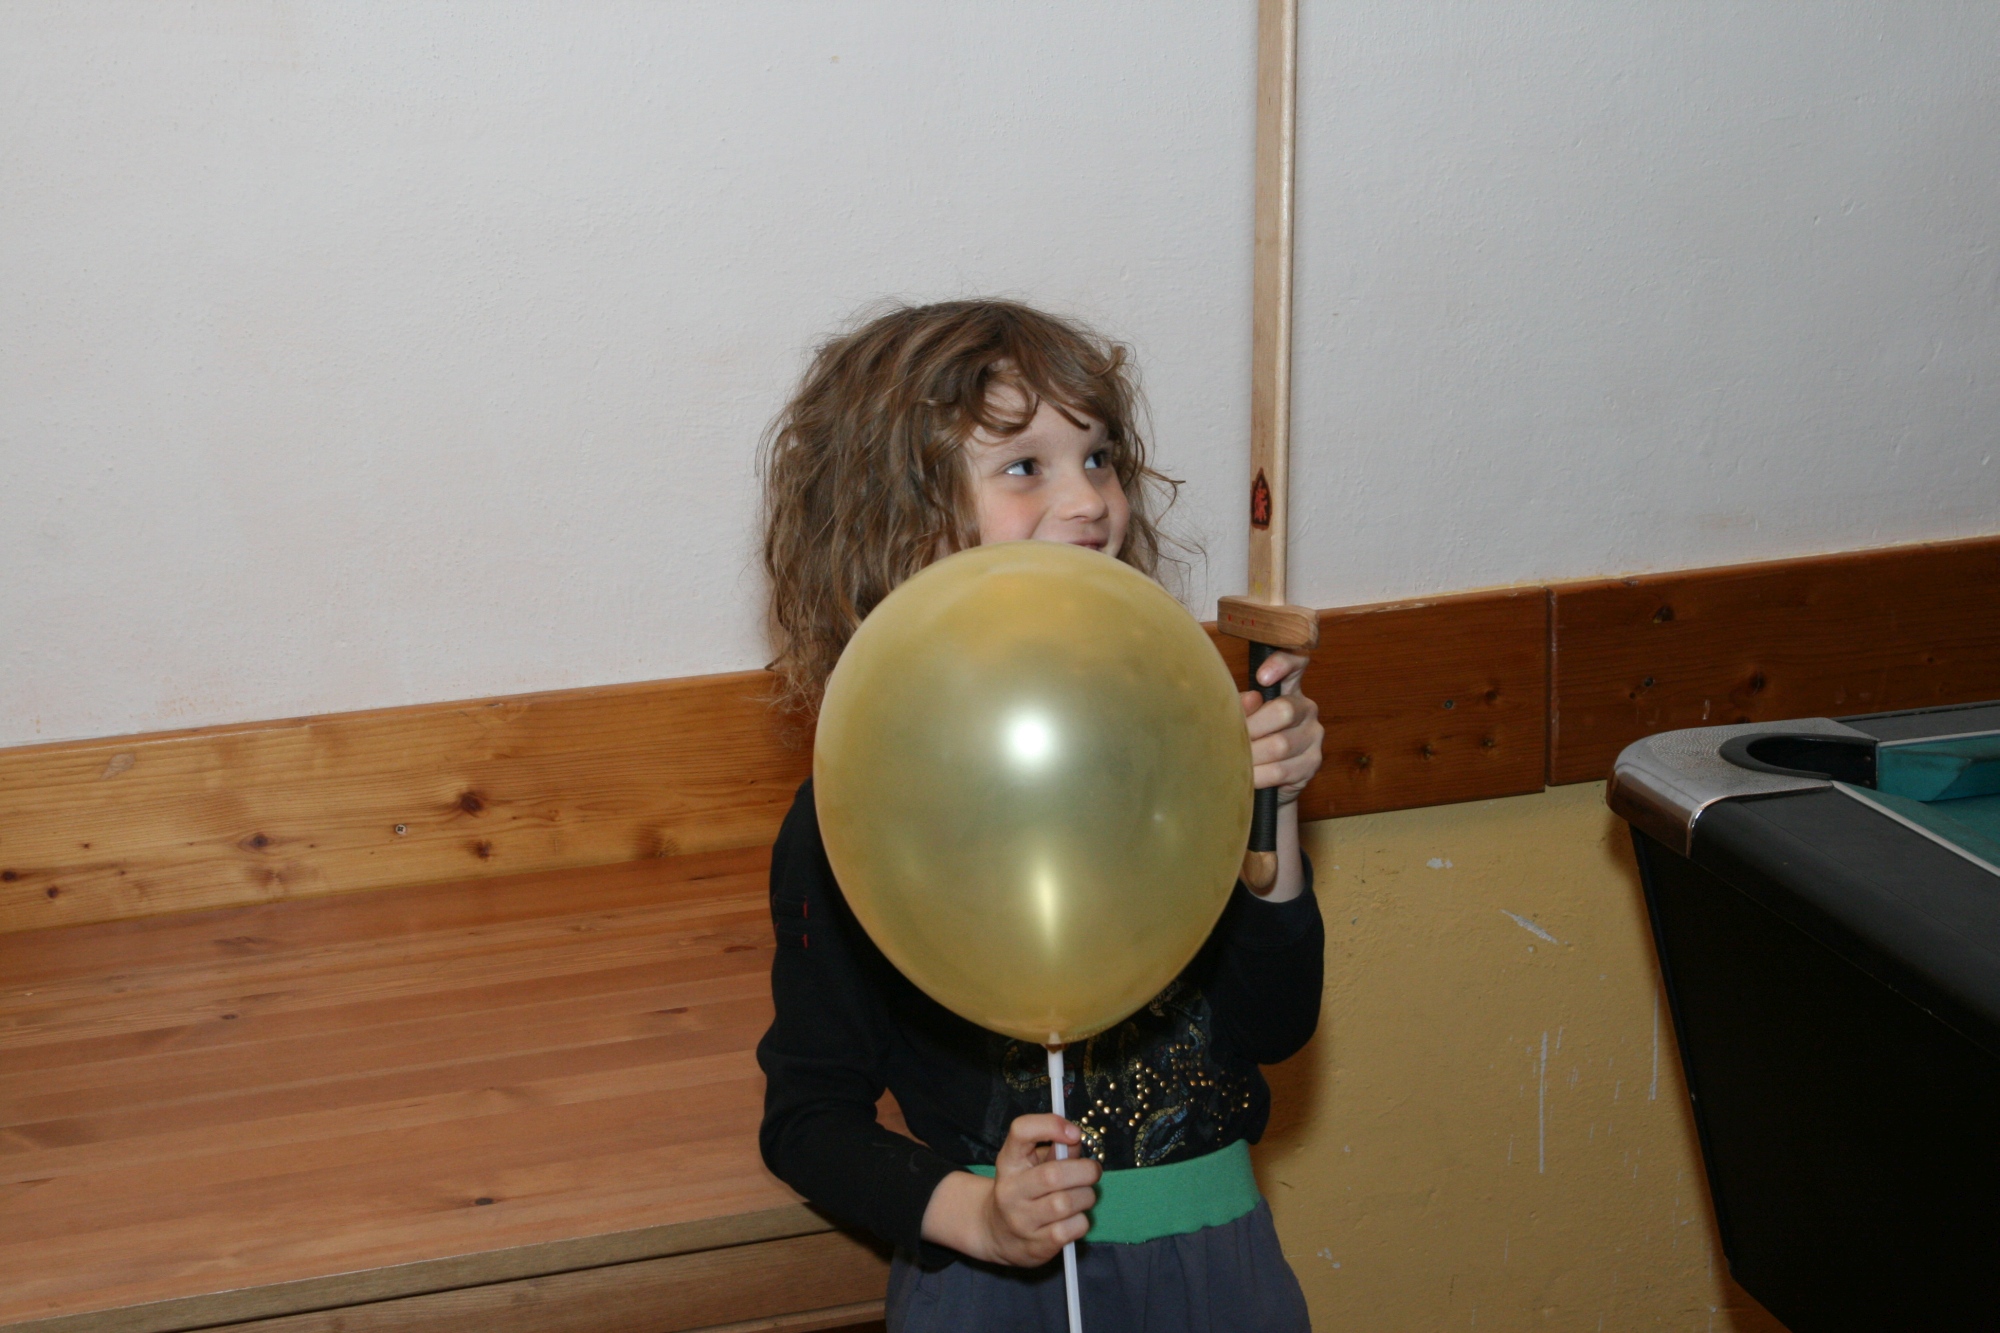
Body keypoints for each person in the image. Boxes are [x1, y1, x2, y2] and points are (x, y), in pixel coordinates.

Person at [756, 300, 1325, 1332]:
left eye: (1098, 457)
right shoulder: (856, 806)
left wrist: (1267, 810)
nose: (1088, 500)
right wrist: (976, 1217)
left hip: (1221, 1268)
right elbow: (807, 1118)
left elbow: (1274, 1026)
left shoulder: (1173, 752)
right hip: (989, 1289)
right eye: (1025, 466)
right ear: (900, 522)